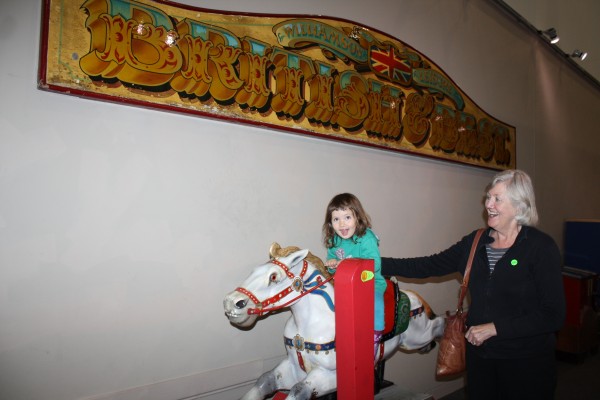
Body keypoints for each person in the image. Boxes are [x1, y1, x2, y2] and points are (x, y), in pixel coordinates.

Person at [381, 170, 566, 400]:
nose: (488, 204)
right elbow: (427, 265)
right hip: (481, 358)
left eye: (498, 199)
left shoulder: (540, 248)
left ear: (519, 207)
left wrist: (495, 328)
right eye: (488, 197)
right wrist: (374, 264)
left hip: (526, 362)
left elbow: (553, 315)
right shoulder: (476, 242)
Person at [322, 193, 387, 359]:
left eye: (347, 217)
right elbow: (334, 269)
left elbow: (374, 264)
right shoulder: (334, 242)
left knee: (376, 302)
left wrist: (343, 264)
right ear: (330, 223)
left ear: (358, 217)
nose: (342, 223)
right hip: (346, 286)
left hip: (370, 283)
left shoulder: (366, 238)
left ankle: (375, 335)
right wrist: (332, 266)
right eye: (336, 219)